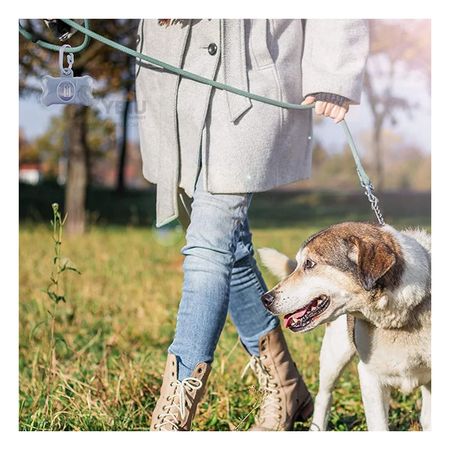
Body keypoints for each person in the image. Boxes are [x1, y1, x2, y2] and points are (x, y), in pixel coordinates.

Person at [135, 19, 369, 431]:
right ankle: (286, 386)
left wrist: (334, 64)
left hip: (252, 66)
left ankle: (172, 415)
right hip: (175, 64)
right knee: (230, 243)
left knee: (210, 240)